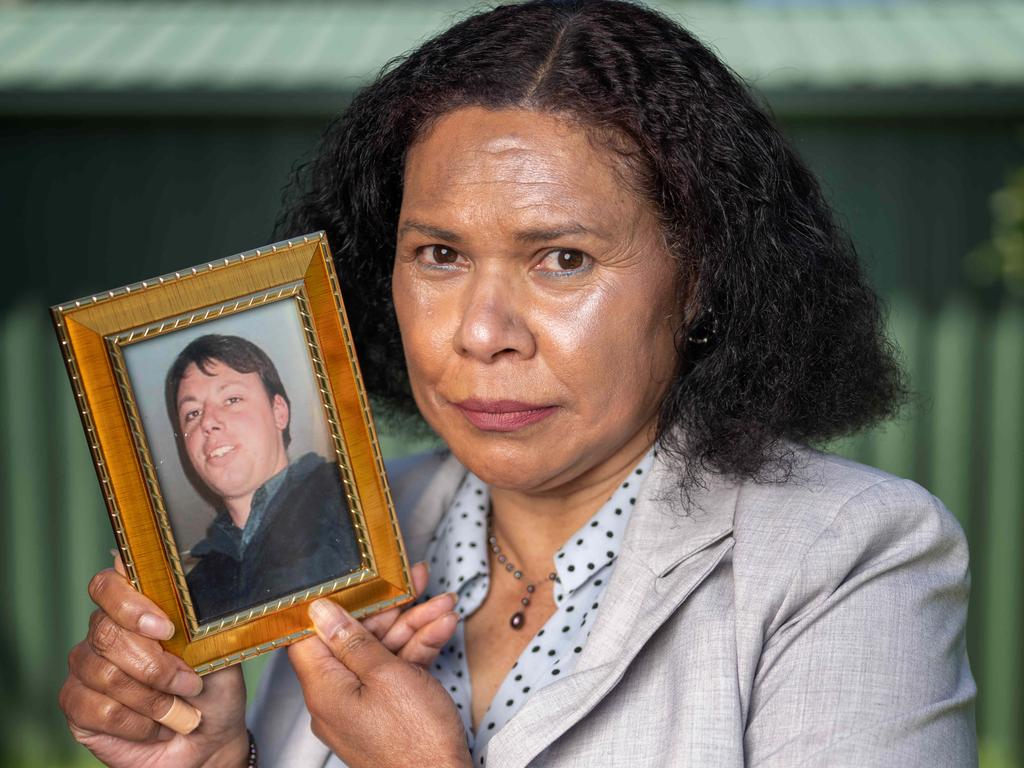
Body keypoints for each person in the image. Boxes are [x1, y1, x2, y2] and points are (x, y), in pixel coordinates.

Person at [58, 1, 977, 766]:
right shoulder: (352, 533)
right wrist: (222, 761)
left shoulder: (848, 557)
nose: (482, 333)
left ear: (699, 278)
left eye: (563, 258)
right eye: (440, 254)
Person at [165, 333, 361, 622]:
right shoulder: (192, 592)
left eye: (231, 399)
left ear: (279, 412)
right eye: (192, 413)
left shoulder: (348, 497)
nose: (207, 422)